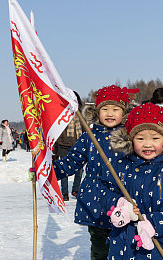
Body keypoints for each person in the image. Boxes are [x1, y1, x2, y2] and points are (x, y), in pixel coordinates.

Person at [52, 85, 139, 260]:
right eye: (104, 109)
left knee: (125, 247)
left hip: (125, 203)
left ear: (124, 112)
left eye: (115, 109)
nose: (110, 113)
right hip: (97, 203)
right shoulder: (90, 137)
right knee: (99, 247)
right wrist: (48, 171)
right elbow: (72, 161)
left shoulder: (131, 136)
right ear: (96, 111)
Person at [100, 103, 163, 259]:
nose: (147, 144)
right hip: (124, 245)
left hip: (162, 244)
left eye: (155, 138)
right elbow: (105, 190)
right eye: (140, 138)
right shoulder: (122, 165)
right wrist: (119, 204)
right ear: (131, 140)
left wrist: (154, 222)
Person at [54, 91, 84, 201]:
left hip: (78, 146)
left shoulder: (81, 114)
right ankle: (64, 193)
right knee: (64, 170)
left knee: (79, 170)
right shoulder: (62, 114)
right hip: (64, 146)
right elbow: (58, 131)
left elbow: (85, 131)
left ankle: (76, 189)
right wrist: (57, 145)